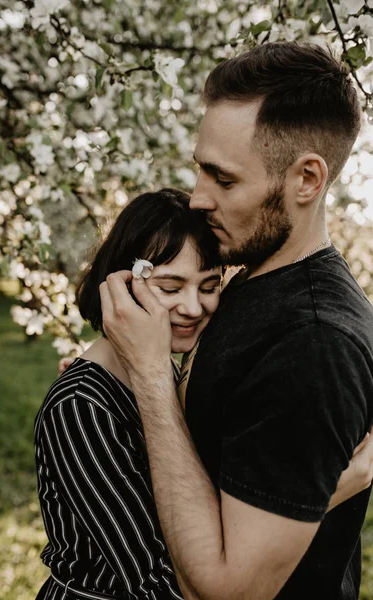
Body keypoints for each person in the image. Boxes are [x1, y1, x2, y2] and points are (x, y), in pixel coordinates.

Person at [100, 42, 373, 600]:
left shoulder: (312, 343)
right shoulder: (246, 277)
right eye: (200, 170)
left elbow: (228, 591)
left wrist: (151, 374)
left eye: (223, 180)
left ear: (306, 180)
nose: (198, 198)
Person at [34, 188, 222, 600]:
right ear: (119, 284)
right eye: (170, 288)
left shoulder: (166, 369)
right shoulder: (82, 408)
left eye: (208, 286)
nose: (193, 307)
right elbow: (156, 584)